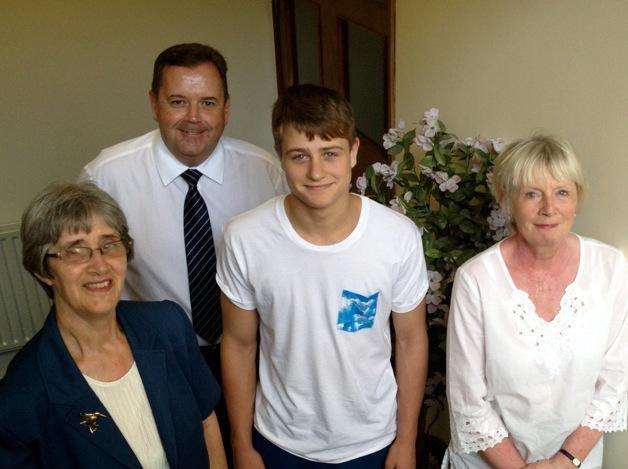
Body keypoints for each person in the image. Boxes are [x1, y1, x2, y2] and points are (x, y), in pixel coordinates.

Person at [217, 84, 429, 468]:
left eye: (329, 154)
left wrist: (407, 439)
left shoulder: (397, 235)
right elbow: (238, 344)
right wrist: (241, 444)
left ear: (352, 154)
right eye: (300, 156)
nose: (316, 172)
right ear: (281, 157)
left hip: (373, 440)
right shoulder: (244, 237)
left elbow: (412, 340)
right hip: (280, 440)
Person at [81, 43, 286, 375]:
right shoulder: (106, 176)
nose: (194, 118)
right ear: (154, 104)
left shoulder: (266, 173)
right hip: (157, 355)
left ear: (226, 109)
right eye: (178, 102)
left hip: (255, 350)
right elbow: (82, 272)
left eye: (208, 103)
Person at [0, 182, 227, 468]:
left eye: (108, 245)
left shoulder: (168, 325)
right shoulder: (24, 390)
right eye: (75, 251)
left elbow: (207, 423)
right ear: (43, 270)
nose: (100, 265)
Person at [443, 135, 628, 469]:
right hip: (490, 462)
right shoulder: (476, 279)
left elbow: (615, 380)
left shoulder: (611, 268)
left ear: (577, 199)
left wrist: (565, 461)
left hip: (575, 462)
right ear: (506, 200)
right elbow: (467, 399)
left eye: (561, 192)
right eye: (531, 194)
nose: (548, 208)